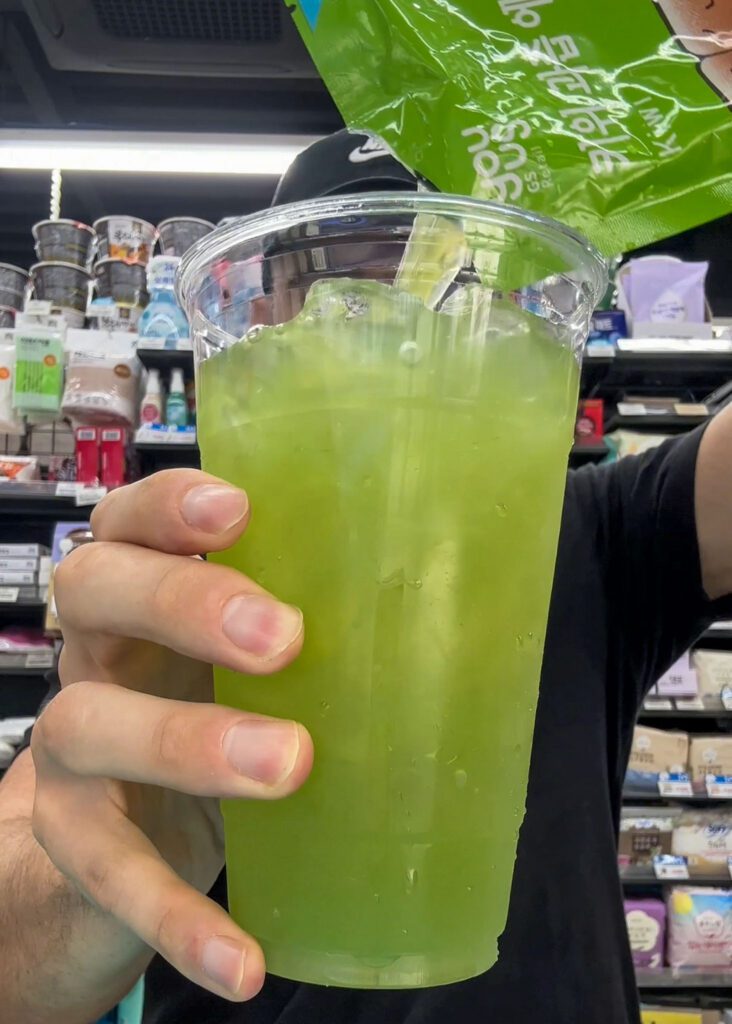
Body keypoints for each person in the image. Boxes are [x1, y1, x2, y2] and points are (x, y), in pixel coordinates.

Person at [1, 132, 732, 1024]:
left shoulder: (605, 531)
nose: (389, 301)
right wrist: (96, 878)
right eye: (328, 278)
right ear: (258, 310)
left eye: (432, 270)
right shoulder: (172, 585)